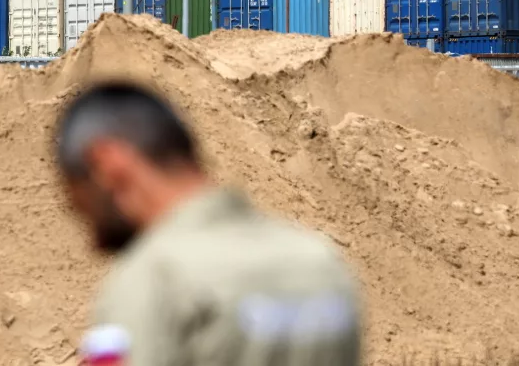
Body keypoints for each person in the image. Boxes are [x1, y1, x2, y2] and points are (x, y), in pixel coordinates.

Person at [54, 81, 362, 366]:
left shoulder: (154, 279)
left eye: (77, 200)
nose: (91, 236)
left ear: (107, 163)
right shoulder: (320, 262)